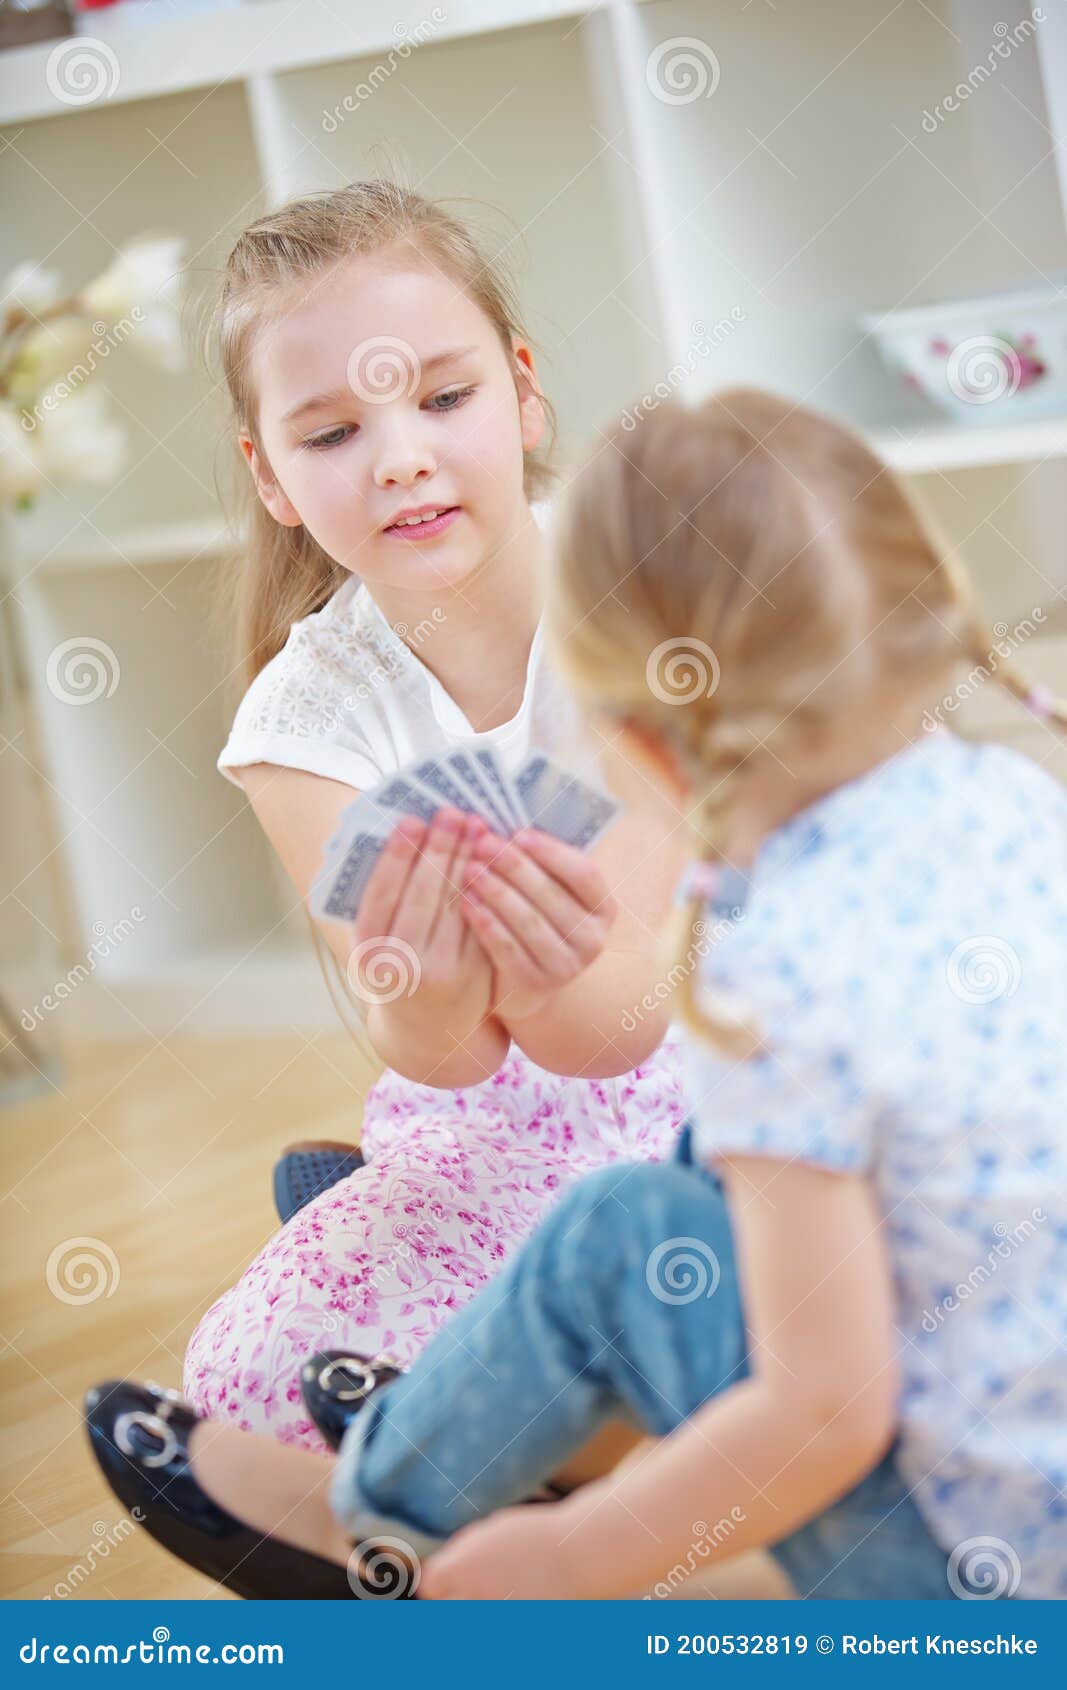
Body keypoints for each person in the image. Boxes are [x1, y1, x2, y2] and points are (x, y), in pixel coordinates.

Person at [87, 388, 1066, 1601]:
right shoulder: (1024, 813)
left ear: (641, 751)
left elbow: (829, 1409)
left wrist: (573, 1557)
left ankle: (373, 1523)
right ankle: (445, 1399)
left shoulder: (769, 969)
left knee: (616, 1235)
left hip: (981, 1578)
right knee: (683, 1183)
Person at [180, 178, 691, 1451]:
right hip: (489, 1127)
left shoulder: (652, 594)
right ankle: (472, 1429)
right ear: (273, 478)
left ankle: (465, 1458)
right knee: (250, 1387)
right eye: (332, 431)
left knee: (842, 1298)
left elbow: (616, 1027)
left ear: (523, 392)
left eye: (443, 398)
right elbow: (446, 1056)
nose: (400, 453)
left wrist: (556, 948)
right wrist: (418, 979)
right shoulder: (302, 722)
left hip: (716, 1075)